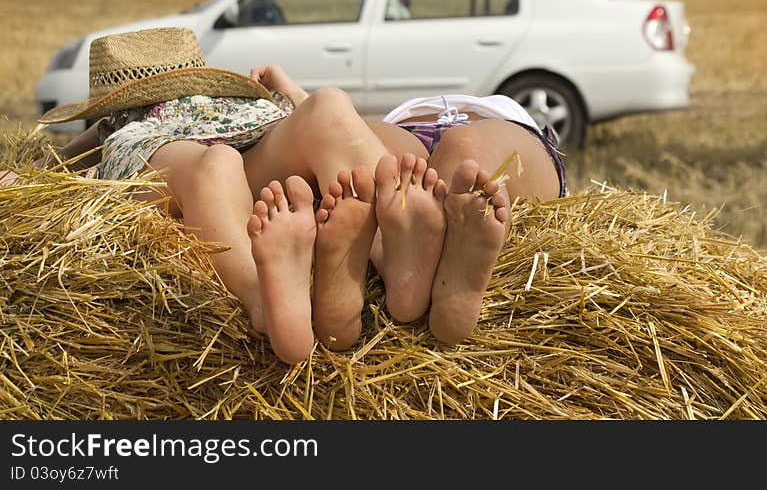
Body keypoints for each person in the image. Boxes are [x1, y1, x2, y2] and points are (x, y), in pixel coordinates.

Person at [36, 26, 393, 364]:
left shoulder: (118, 129)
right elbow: (59, 162)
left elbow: (55, 163)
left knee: (232, 156)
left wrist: (30, 172)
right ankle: (378, 257)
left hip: (188, 159)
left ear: (108, 104)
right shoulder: (218, 107)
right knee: (320, 111)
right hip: (228, 141)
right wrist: (295, 96)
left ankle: (279, 292)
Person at [364, 94, 567, 344]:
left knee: (465, 149)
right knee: (359, 155)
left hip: (480, 122)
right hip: (410, 127)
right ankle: (434, 263)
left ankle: (403, 253)